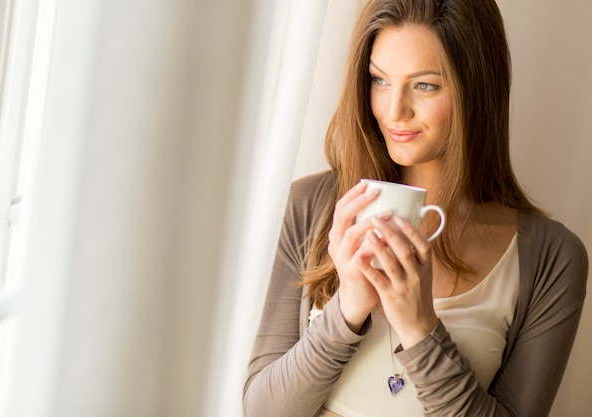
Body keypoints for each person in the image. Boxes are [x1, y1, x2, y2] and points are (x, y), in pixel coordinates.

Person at [243, 0, 588, 416]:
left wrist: (420, 328)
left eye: (424, 85)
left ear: (476, 87)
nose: (394, 111)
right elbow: (262, 410)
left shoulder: (551, 258)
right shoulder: (310, 207)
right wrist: (347, 310)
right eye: (379, 80)